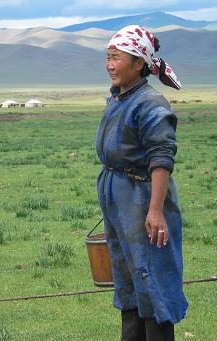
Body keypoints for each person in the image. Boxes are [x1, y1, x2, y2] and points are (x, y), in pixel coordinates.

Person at [95, 25, 188, 341]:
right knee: (128, 280)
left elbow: (162, 158)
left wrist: (155, 210)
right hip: (120, 198)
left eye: (116, 57)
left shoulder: (150, 103)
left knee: (152, 279)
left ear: (138, 63)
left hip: (143, 198)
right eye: (108, 57)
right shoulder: (120, 98)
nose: (110, 64)